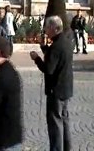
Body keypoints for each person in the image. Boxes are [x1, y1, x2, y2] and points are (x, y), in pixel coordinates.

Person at [30, 15, 73, 151]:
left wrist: (36, 58)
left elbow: (48, 68)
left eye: (47, 27)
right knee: (64, 121)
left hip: (56, 90)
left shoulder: (56, 46)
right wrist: (44, 47)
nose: (45, 30)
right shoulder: (65, 42)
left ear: (54, 28)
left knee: (55, 124)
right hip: (66, 89)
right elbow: (54, 58)